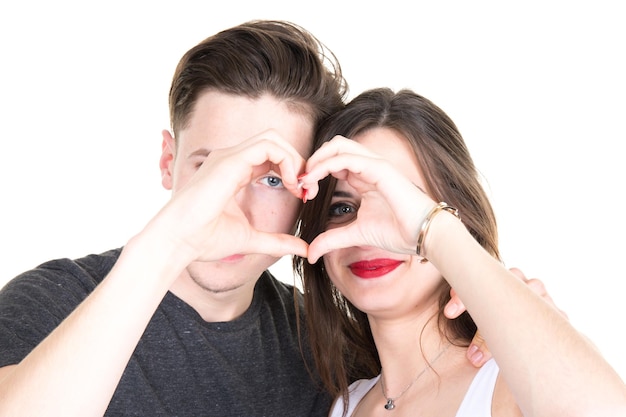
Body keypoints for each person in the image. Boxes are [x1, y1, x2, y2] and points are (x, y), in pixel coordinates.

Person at [0, 21, 493, 417]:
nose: (229, 207)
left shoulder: (330, 351)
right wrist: (167, 243)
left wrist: (502, 311)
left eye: (272, 178)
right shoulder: (53, 303)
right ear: (168, 162)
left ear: (310, 194)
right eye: (211, 167)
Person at [296, 88, 626, 416]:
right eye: (341, 208)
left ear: (456, 218)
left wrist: (432, 231)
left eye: (399, 200)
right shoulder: (343, 406)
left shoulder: (509, 384)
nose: (368, 233)